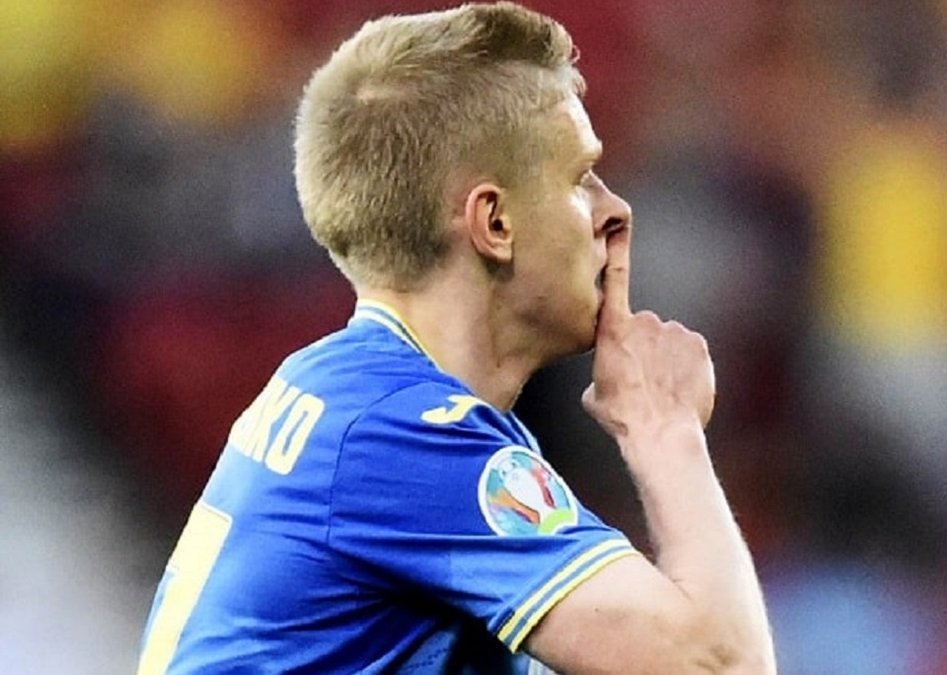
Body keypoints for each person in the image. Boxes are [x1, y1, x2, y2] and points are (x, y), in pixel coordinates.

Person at [137, 3, 776, 673]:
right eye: (579, 178)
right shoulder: (401, 436)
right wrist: (664, 427)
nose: (614, 211)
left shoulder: (349, 395)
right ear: (494, 222)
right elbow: (721, 666)